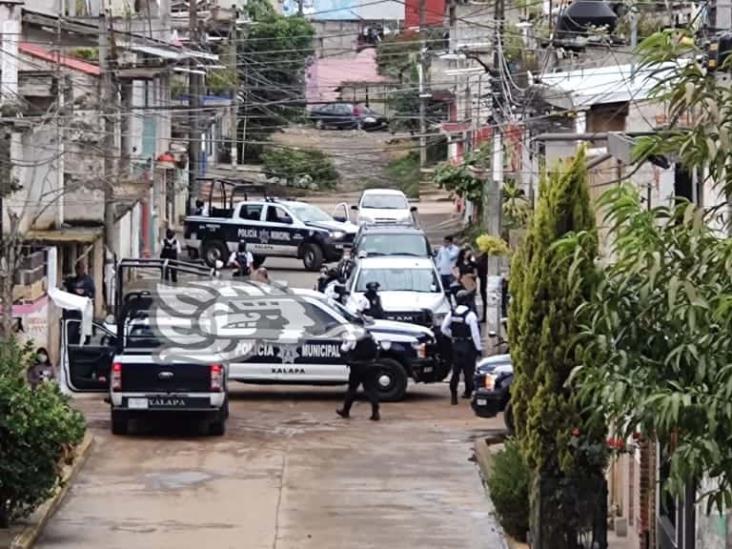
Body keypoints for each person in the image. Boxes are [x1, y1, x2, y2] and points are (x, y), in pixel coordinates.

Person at [441, 289, 483, 405]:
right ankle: (469, 393)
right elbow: (475, 334)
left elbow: (443, 328)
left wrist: (453, 336)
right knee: (469, 371)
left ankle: (453, 397)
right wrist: (479, 348)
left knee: (455, 372)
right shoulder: (470, 315)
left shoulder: (452, 313)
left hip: (455, 345)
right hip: (468, 346)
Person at [337, 356, 380, 421]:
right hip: (369, 365)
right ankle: (375, 412)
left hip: (356, 366)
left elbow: (344, 349)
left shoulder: (354, 344)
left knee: (352, 389)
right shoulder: (373, 345)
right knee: (370, 389)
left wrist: (347, 361)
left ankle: (345, 411)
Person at [476, 252, 488, 323]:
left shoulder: (481, 259)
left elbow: (478, 269)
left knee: (485, 301)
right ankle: (485, 317)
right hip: (484, 282)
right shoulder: (482, 259)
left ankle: (485, 317)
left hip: (484, 282)